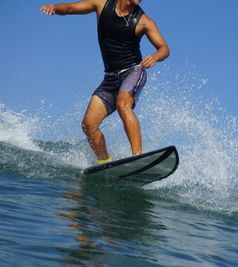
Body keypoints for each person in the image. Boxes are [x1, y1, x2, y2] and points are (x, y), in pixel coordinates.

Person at [40, 0, 170, 164]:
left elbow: (164, 48)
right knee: (88, 125)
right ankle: (105, 162)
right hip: (110, 78)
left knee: (123, 104)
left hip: (133, 71)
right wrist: (55, 8)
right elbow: (70, 8)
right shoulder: (102, 4)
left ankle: (137, 158)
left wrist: (156, 57)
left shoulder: (144, 21)